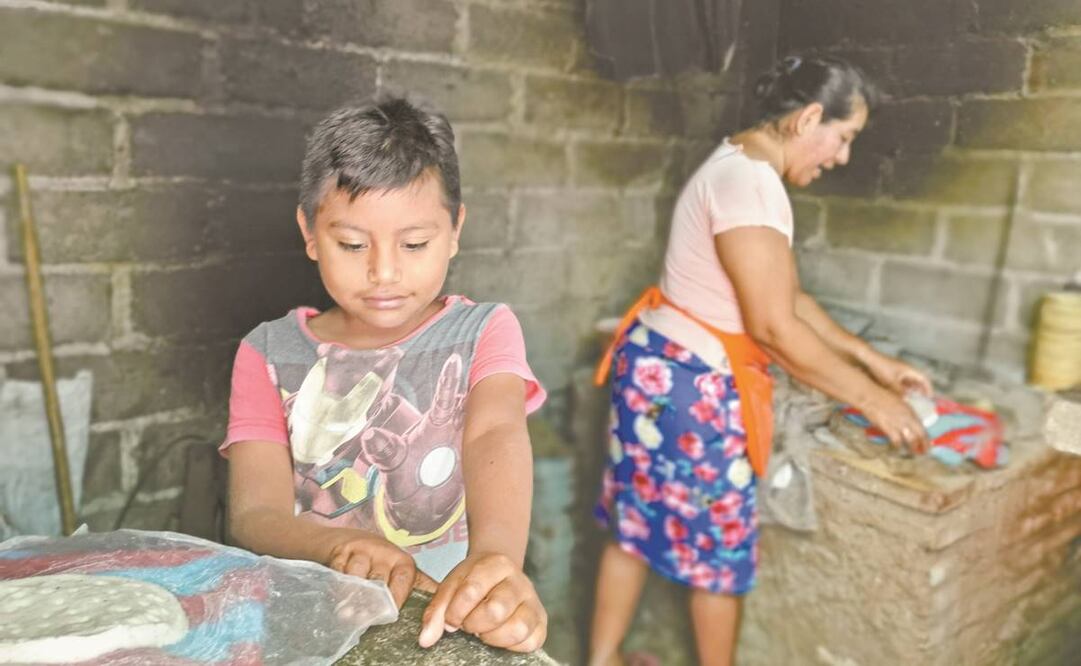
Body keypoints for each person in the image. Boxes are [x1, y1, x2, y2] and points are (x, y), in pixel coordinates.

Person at [588, 55, 933, 666]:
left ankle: (604, 657)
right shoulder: (750, 185)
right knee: (720, 563)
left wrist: (871, 360)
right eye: (844, 137)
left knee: (634, 527)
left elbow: (789, 298)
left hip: (659, 371)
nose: (842, 157)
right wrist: (875, 401)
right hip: (691, 389)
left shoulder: (738, 165)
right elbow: (774, 327)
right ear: (809, 118)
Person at [223, 97, 548, 653]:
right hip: (314, 616)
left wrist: (496, 559)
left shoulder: (482, 332)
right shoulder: (267, 352)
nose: (384, 272)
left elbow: (495, 433)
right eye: (352, 244)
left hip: (447, 614)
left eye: (415, 243)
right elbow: (255, 514)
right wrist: (338, 547)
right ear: (309, 231)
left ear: (455, 229)